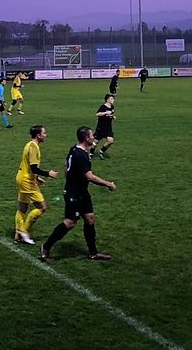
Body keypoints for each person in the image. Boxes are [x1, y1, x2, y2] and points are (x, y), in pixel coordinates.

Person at [40, 126, 117, 261]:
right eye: (91, 135)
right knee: (70, 222)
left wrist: (70, 179)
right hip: (73, 194)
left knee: (90, 219)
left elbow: (66, 166)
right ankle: (46, 246)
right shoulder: (81, 155)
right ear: (86, 138)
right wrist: (108, 184)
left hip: (82, 192)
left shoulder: (74, 149)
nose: (93, 137)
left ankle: (93, 253)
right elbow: (90, 177)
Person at [14, 125, 58, 244]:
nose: (45, 135)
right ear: (38, 135)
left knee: (22, 208)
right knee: (41, 207)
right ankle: (23, 231)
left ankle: (17, 237)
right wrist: (49, 173)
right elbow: (34, 168)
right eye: (44, 133)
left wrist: (37, 178)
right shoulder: (34, 147)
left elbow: (28, 166)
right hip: (27, 181)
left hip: (21, 177)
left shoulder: (29, 144)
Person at [90, 94, 116, 160]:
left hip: (108, 128)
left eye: (113, 99)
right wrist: (105, 113)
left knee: (110, 141)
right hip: (101, 128)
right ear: (107, 100)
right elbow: (97, 114)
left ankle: (101, 152)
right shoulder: (103, 107)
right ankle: (91, 154)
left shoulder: (112, 107)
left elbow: (110, 115)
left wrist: (112, 117)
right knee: (95, 142)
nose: (113, 100)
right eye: (111, 99)